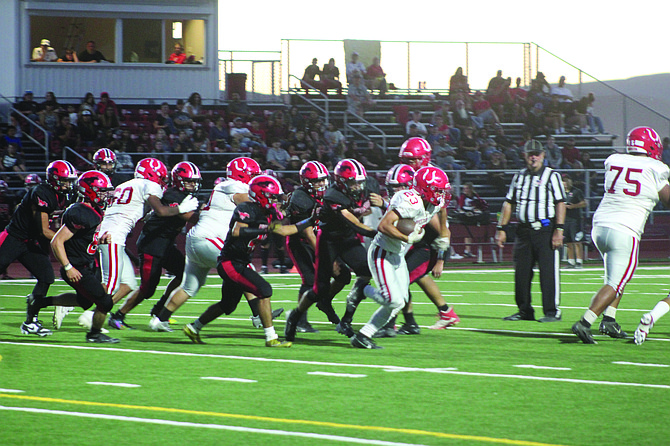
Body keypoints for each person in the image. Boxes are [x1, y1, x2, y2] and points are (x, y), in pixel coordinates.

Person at [154, 158, 280, 330]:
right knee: (244, 268)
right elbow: (251, 201)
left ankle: (159, 320)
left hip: (198, 238)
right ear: (243, 174)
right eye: (253, 175)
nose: (255, 178)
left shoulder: (224, 186)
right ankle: (259, 315)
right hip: (210, 237)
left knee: (189, 286)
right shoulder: (234, 186)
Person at [571, 127, 670, 344]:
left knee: (615, 276)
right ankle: (585, 322)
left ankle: (609, 320)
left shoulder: (614, 159)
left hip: (599, 226)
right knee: (616, 282)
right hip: (625, 228)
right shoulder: (656, 167)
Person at [183, 174, 307, 347]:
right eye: (272, 197)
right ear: (261, 195)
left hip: (239, 261)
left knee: (228, 305)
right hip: (230, 262)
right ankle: (271, 338)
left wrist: (311, 221)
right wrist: (264, 229)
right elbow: (237, 231)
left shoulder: (269, 213)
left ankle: (193, 328)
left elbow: (284, 231)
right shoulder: (247, 208)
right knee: (265, 290)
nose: (276, 201)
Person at [79, 158, 198, 331]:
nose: (163, 180)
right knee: (121, 285)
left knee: (129, 283)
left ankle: (158, 311)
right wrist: (181, 210)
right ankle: (93, 315)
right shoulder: (154, 187)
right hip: (136, 241)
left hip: (117, 234)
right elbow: (164, 211)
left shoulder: (124, 185)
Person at [347, 166, 451, 348]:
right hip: (382, 252)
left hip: (397, 255)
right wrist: (407, 237)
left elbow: (442, 210)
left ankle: (363, 336)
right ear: (425, 188)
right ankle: (363, 288)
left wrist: (443, 235)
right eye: (438, 190)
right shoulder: (410, 200)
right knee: (393, 300)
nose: (441, 195)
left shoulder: (433, 203)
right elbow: (384, 225)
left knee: (399, 302)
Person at [284, 159, 379, 343]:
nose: (358, 186)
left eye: (360, 182)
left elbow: (363, 210)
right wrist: (382, 233)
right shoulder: (330, 195)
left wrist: (382, 203)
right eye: (353, 182)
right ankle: (296, 317)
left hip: (346, 237)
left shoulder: (363, 187)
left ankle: (346, 318)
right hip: (322, 240)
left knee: (363, 272)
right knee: (317, 287)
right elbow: (354, 223)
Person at [27, 170, 119, 343]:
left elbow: (81, 238)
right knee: (105, 302)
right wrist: (68, 267)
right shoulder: (80, 211)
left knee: (84, 302)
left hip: (87, 263)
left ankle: (38, 302)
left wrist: (99, 240)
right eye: (102, 192)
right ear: (89, 191)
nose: (106, 196)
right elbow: (57, 241)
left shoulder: (92, 210)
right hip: (78, 267)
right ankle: (94, 334)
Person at [2, 161, 77, 336]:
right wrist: (67, 241)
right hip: (13, 238)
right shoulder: (41, 192)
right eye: (65, 181)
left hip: (29, 242)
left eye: (70, 181)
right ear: (54, 179)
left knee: (46, 276)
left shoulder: (61, 195)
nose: (68, 184)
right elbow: (43, 230)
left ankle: (30, 322)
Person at [495, 139, 567, 323]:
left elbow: (560, 202)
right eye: (530, 154)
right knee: (521, 274)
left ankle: (552, 311)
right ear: (524, 156)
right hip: (523, 231)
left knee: (548, 273)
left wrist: (559, 229)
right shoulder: (519, 176)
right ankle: (524, 310)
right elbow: (509, 202)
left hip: (545, 229)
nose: (533, 157)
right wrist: (501, 228)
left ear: (543, 155)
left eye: (536, 154)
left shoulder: (552, 176)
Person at [283, 161, 351, 332]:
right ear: (306, 182)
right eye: (317, 181)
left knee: (343, 275)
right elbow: (308, 233)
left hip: (322, 238)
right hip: (301, 242)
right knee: (310, 279)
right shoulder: (300, 198)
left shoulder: (330, 193)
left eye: (323, 180)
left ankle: (324, 300)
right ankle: (299, 320)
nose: (322, 184)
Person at [456, 182, 490, 258]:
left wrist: (477, 209)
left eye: (467, 188)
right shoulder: (462, 197)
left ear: (471, 189)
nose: (465, 190)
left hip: (474, 217)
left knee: (474, 233)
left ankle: (470, 251)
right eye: (464, 188)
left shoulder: (476, 196)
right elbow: (460, 207)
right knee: (467, 234)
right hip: (466, 218)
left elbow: (481, 205)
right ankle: (467, 251)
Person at [562, 174, 586, 269]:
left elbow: (584, 203)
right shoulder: (560, 192)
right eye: (564, 181)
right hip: (564, 220)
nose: (566, 183)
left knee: (577, 241)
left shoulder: (576, 191)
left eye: (567, 180)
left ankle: (579, 261)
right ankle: (571, 261)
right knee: (567, 242)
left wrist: (573, 206)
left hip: (575, 220)